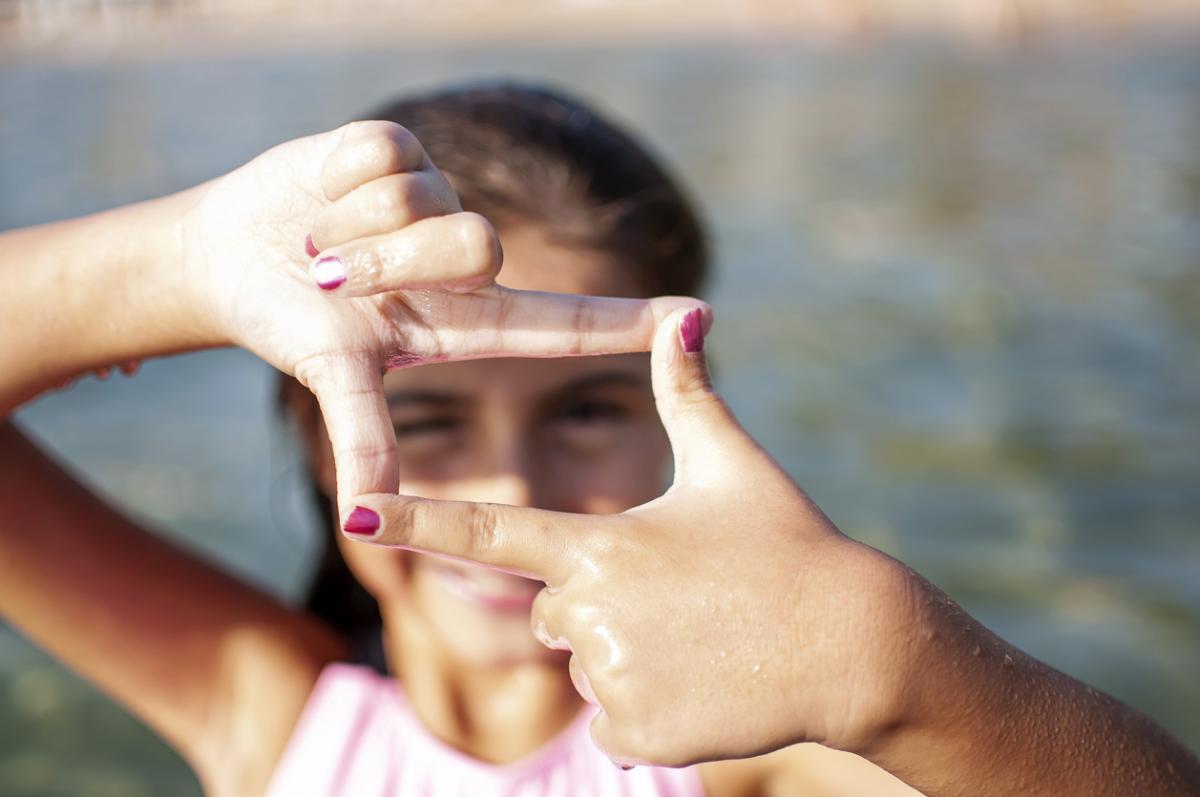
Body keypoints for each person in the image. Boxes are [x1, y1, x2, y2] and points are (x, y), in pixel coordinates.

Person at [1, 83, 1196, 797]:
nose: (515, 482)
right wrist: (170, 266)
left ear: (690, 411)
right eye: (422, 411)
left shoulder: (746, 754)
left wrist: (899, 667)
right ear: (318, 440)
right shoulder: (274, 714)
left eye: (584, 407)